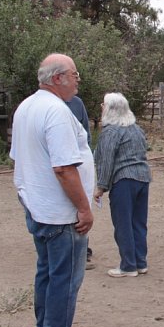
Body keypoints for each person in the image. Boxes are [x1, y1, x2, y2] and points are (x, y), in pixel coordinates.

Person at [10, 54, 96, 327]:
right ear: (58, 78)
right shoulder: (56, 112)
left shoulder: (27, 107)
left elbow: (19, 157)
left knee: (47, 272)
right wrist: (83, 208)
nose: (78, 80)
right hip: (60, 212)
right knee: (65, 277)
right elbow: (64, 168)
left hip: (38, 205)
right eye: (74, 74)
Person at [94, 93, 152, 278]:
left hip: (124, 181)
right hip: (143, 179)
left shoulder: (111, 131)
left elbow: (106, 161)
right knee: (138, 223)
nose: (101, 107)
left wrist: (101, 186)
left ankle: (128, 266)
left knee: (123, 223)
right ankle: (140, 262)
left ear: (111, 109)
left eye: (103, 104)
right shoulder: (136, 129)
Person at [66, 95, 96, 270]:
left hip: (77, 162)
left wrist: (84, 157)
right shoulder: (46, 106)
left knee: (81, 204)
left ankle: (82, 250)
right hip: (59, 165)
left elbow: (86, 133)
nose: (77, 82)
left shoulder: (76, 103)